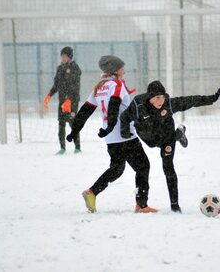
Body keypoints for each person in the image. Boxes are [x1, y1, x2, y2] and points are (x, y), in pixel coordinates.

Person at [66, 55, 157, 214]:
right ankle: (141, 205)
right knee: (143, 167)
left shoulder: (99, 87)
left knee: (117, 168)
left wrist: (75, 130)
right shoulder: (116, 85)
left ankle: (92, 192)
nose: (124, 69)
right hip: (125, 135)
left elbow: (85, 111)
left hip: (111, 139)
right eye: (122, 67)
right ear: (115, 70)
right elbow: (114, 107)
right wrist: (111, 126)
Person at [119, 80, 220, 213]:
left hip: (167, 138)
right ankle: (179, 134)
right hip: (150, 139)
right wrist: (124, 132)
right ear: (149, 97)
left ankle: (175, 205)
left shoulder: (168, 104)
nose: (161, 100)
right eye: (157, 97)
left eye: (162, 97)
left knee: (168, 167)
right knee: (152, 144)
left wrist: (211, 99)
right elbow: (124, 117)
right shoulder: (138, 106)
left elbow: (189, 101)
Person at [43, 46, 82, 155]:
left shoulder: (75, 68)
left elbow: (74, 85)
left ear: (69, 57)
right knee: (61, 124)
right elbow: (56, 85)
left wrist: (69, 99)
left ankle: (77, 147)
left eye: (65, 56)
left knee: (73, 124)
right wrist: (49, 96)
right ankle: (62, 148)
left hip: (72, 101)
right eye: (62, 56)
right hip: (62, 102)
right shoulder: (59, 68)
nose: (63, 58)